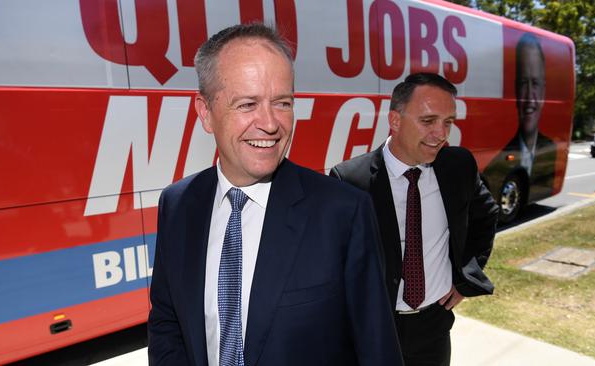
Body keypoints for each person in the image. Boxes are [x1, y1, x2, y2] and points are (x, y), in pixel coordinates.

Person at [148, 23, 403, 366]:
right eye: (248, 104)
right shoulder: (177, 205)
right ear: (205, 113)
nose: (270, 123)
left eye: (282, 102)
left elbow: (377, 349)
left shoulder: (343, 212)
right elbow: (167, 322)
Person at [330, 73, 499, 366]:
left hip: (433, 328)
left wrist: (465, 278)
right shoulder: (350, 179)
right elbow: (334, 262)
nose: (441, 134)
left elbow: (486, 216)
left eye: (448, 122)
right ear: (395, 121)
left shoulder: (457, 166)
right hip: (374, 330)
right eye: (428, 121)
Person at [484, 32, 556, 218]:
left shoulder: (551, 149)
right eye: (524, 83)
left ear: (544, 90)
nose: (530, 97)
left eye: (536, 84)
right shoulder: (495, 165)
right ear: (515, 88)